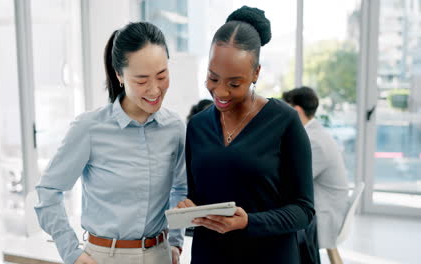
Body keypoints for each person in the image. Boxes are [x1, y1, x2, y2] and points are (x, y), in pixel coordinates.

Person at [34, 22, 187, 264]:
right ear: (119, 75)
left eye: (162, 75)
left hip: (160, 253)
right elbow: (48, 192)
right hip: (105, 257)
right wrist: (72, 253)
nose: (154, 89)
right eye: (141, 80)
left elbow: (180, 188)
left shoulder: (175, 127)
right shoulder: (90, 128)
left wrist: (176, 243)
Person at [177, 6, 315, 263]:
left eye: (234, 83)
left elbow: (304, 210)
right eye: (212, 77)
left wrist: (249, 222)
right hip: (210, 256)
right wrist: (189, 210)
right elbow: (197, 197)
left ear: (256, 73)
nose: (220, 92)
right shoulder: (197, 126)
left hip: (269, 256)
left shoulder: (284, 121)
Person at [282, 86, 350, 264]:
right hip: (328, 206)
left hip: (326, 214)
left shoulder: (313, 141)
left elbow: (295, 181)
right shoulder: (314, 133)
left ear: (296, 110)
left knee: (280, 224)